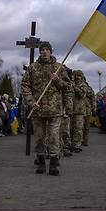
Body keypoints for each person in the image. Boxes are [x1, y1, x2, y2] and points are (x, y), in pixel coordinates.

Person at [21, 41, 71, 176]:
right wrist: (31, 102)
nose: (44, 52)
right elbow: (25, 85)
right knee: (39, 137)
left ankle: (54, 163)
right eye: (42, 49)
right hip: (38, 109)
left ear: (51, 51)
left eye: (47, 49)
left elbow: (67, 86)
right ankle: (41, 161)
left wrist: (57, 80)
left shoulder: (58, 67)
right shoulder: (33, 68)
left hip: (55, 109)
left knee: (54, 137)